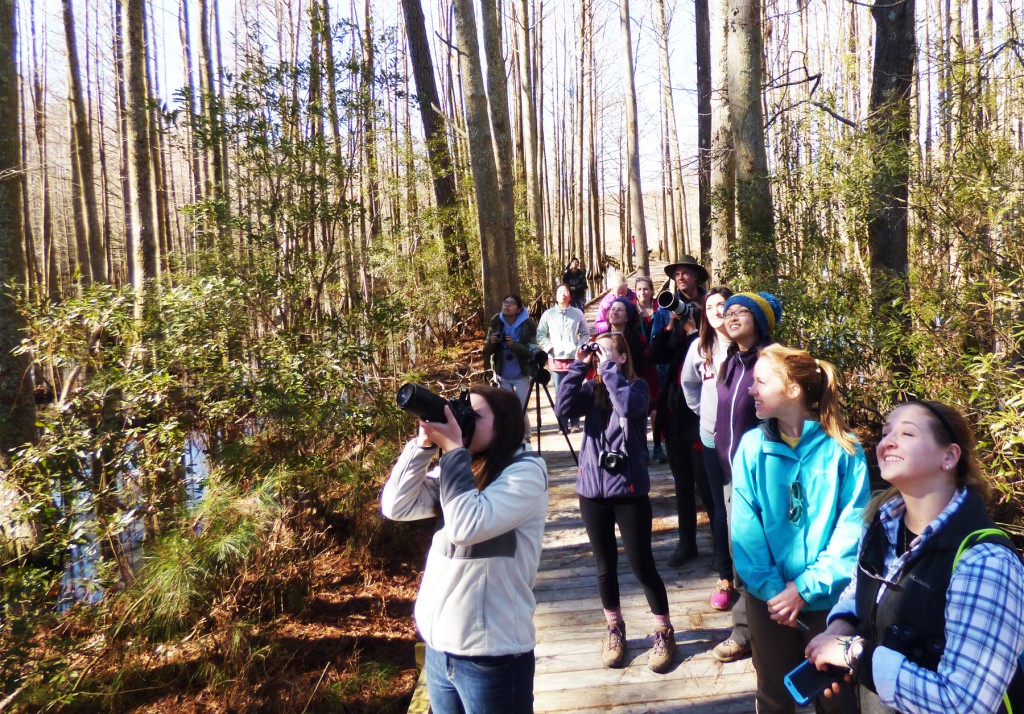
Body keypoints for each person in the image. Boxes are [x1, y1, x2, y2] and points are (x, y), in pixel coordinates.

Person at [806, 400, 1024, 714]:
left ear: (949, 456)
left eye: (907, 433)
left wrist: (854, 654)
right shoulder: (880, 524)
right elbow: (861, 588)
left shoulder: (985, 561)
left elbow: (964, 703)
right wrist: (841, 625)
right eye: (885, 433)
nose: (887, 441)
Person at [381, 385, 549, 713]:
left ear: (505, 424)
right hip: (439, 651)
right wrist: (422, 446)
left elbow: (464, 527)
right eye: (461, 412)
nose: (462, 421)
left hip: (492, 658)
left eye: (473, 416)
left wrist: (455, 451)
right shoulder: (461, 468)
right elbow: (396, 506)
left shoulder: (526, 473)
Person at [730, 344, 869, 714]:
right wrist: (777, 592)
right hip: (768, 602)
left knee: (836, 697)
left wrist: (804, 590)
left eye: (760, 381)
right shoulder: (751, 447)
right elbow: (746, 530)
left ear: (792, 389)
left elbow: (851, 531)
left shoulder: (844, 449)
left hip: (830, 604)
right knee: (774, 693)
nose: (751, 389)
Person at [554, 332, 677, 674]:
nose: (603, 355)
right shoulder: (590, 390)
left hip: (630, 491)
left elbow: (624, 405)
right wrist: (579, 364)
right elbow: (563, 408)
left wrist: (608, 367)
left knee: (642, 565)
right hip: (592, 491)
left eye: (611, 351)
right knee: (604, 567)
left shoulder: (637, 389)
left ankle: (664, 630)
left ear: (623, 357)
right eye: (600, 349)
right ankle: (614, 627)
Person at [712, 290, 783, 664]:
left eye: (743, 311)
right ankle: (748, 627)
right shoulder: (730, 361)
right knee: (741, 552)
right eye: (729, 311)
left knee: (764, 554)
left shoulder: (772, 361)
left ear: (761, 320)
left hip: (766, 475)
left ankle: (754, 630)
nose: (732, 316)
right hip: (731, 475)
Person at [680, 286, 735, 610]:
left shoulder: (746, 345)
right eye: (710, 305)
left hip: (745, 439)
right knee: (719, 507)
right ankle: (725, 575)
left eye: (722, 304)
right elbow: (688, 384)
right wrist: (703, 412)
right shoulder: (700, 348)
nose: (716, 310)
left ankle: (751, 573)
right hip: (713, 437)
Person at [649, 293, 713, 568]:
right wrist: (670, 327)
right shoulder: (679, 327)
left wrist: (695, 331)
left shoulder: (710, 332)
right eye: (679, 274)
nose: (682, 278)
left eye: (687, 273)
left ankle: (723, 547)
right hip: (675, 415)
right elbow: (655, 355)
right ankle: (687, 543)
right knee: (682, 486)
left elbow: (707, 357)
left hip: (699, 420)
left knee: (707, 486)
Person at [536, 284, 590, 431]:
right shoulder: (548, 314)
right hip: (556, 359)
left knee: (576, 388)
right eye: (560, 292)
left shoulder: (578, 313)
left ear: (570, 296)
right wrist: (549, 348)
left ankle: (575, 423)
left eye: (566, 292)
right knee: (560, 391)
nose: (563, 294)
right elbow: (540, 335)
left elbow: (585, 333)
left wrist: (579, 346)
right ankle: (562, 424)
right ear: (556, 295)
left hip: (574, 358)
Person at [483, 294, 539, 415]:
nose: (507, 305)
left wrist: (514, 345)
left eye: (511, 303)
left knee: (521, 410)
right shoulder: (496, 322)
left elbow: (531, 352)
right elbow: (487, 351)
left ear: (518, 309)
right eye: (505, 302)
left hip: (521, 374)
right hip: (502, 376)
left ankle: (526, 434)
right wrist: (491, 343)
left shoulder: (527, 325)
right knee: (507, 411)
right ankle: (513, 434)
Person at [636, 276, 670, 463]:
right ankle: (642, 447)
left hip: (658, 363)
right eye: (639, 289)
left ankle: (658, 446)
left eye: (646, 289)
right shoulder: (631, 311)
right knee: (641, 407)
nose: (643, 293)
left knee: (657, 409)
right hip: (639, 364)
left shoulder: (661, 309)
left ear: (651, 290)